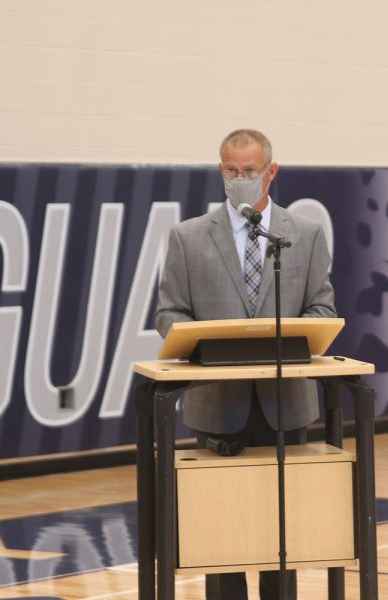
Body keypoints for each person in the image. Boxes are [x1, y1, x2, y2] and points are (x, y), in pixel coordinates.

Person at [154, 128, 336, 600]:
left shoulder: (305, 235)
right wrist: (202, 346)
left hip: (285, 406)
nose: (240, 180)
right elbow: (168, 313)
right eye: (231, 171)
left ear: (271, 172)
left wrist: (285, 337)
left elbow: (322, 309)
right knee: (223, 539)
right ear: (220, 171)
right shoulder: (188, 237)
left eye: (250, 172)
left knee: (281, 536)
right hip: (217, 404)